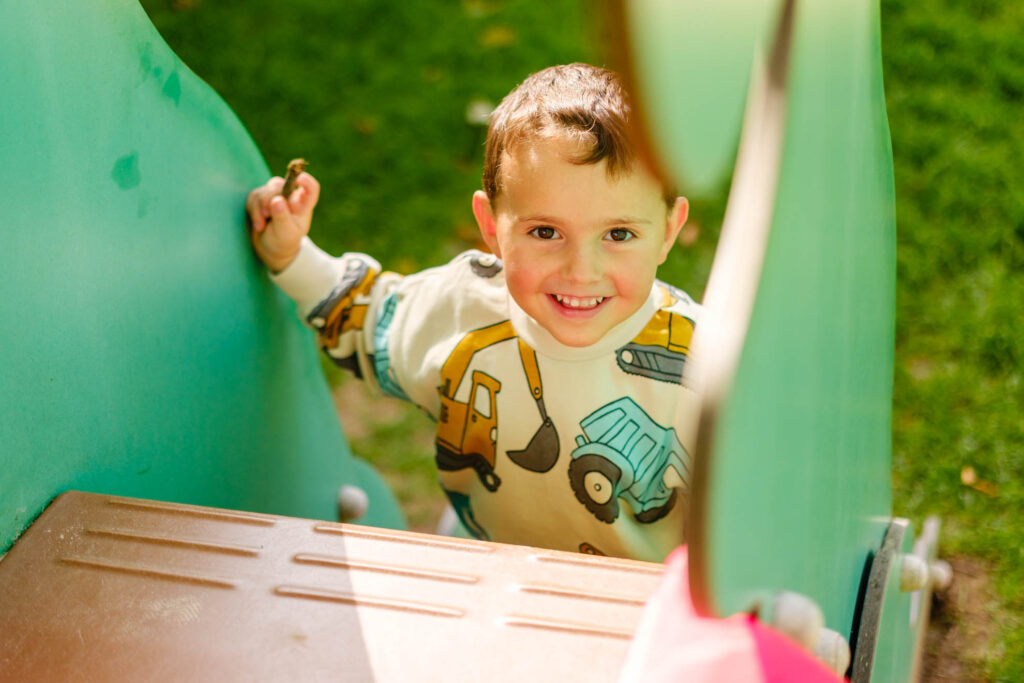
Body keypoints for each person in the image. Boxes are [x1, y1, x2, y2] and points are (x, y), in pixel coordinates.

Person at [246, 63, 700, 563]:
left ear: (668, 229)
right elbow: (368, 314)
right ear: (490, 225)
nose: (580, 271)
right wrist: (292, 256)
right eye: (545, 232)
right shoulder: (462, 310)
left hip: (635, 609)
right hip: (481, 568)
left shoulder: (707, 365)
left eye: (618, 235)